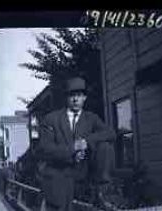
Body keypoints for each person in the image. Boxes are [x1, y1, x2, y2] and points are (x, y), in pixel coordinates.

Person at [36, 77, 116, 211]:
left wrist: (86, 142)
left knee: (105, 146)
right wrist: (73, 149)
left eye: (79, 95)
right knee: (60, 203)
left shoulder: (91, 118)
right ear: (66, 98)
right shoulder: (51, 119)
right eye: (72, 95)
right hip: (59, 171)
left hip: (84, 171)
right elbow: (46, 149)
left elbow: (110, 133)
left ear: (84, 98)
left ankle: (102, 192)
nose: (75, 99)